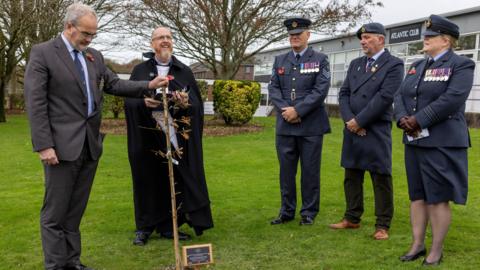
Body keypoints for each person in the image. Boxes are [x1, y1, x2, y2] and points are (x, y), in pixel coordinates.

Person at [24, 3, 169, 270]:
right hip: (59, 147)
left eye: (93, 34)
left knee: (75, 210)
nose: (89, 39)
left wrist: (148, 85)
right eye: (86, 33)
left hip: (89, 145)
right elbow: (35, 103)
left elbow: (115, 84)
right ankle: (56, 266)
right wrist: (44, 145)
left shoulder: (94, 57)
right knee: (55, 213)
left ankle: (72, 261)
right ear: (69, 27)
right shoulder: (43, 53)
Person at [394, 15, 474, 265]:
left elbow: (453, 98)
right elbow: (400, 95)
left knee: (438, 197)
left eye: (430, 36)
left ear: (446, 40)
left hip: (442, 141)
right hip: (415, 140)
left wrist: (419, 120)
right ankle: (417, 244)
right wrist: (402, 118)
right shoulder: (417, 65)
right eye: (425, 36)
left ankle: (436, 251)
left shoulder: (461, 65)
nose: (424, 40)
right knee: (417, 195)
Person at [124, 27, 213, 246]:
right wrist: (143, 102)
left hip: (175, 137)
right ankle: (144, 227)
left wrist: (185, 104)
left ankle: (168, 226)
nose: (165, 41)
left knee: (173, 180)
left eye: (168, 38)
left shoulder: (183, 71)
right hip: (147, 136)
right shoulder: (140, 71)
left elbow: (196, 106)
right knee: (146, 179)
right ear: (152, 43)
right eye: (160, 38)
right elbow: (128, 100)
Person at [329, 23, 404, 240]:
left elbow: (385, 97)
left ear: (381, 39)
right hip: (352, 127)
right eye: (361, 38)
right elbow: (343, 94)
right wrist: (349, 120)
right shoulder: (355, 64)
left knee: (380, 176)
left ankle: (382, 224)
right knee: (351, 174)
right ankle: (352, 218)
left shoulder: (394, 64)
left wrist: (360, 121)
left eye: (367, 37)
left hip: (375, 128)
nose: (362, 41)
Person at [268, 17, 331, 226]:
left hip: (311, 126)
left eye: (299, 34)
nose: (295, 38)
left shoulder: (320, 59)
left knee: (310, 172)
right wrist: (287, 110)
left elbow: (320, 90)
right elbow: (274, 89)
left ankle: (309, 212)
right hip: (285, 125)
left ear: (308, 35)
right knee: (286, 172)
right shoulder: (280, 60)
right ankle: (286, 211)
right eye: (292, 35)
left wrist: (298, 110)